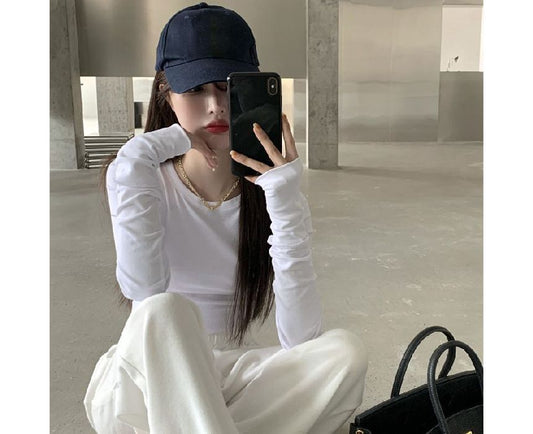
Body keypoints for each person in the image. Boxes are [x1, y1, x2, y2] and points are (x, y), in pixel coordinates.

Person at [84, 3, 367, 433]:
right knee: (165, 310)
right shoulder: (141, 178)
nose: (215, 106)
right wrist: (137, 159)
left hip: (233, 377)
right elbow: (144, 291)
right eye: (196, 89)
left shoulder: (267, 192)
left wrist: (285, 202)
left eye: (227, 87)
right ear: (165, 94)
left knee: (345, 353)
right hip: (148, 381)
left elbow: (299, 341)